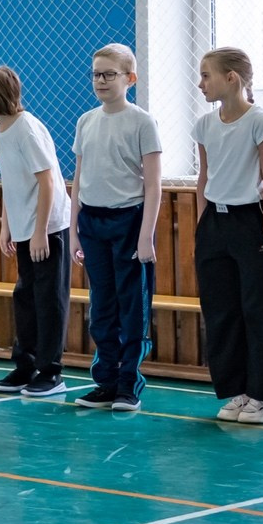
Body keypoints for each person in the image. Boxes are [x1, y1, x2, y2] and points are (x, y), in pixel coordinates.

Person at [192, 47, 263, 424]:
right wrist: (203, 222)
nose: (201, 84)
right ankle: (238, 390)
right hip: (214, 222)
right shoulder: (204, 125)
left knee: (258, 310)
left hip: (250, 221)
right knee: (221, 310)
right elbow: (205, 177)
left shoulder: (261, 121)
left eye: (207, 75)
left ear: (232, 78)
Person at [69, 44, 162, 412]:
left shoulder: (142, 121)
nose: (100, 81)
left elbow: (153, 184)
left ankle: (129, 383)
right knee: (102, 305)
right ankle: (105, 380)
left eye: (109, 74)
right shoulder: (86, 121)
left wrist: (145, 237)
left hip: (129, 221)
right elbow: (78, 178)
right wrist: (75, 228)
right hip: (92, 221)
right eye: (96, 74)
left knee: (131, 306)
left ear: (130, 79)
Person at [0, 66, 72, 398]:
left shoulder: (27, 129)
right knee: (25, 297)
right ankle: (25, 364)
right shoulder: (0, 131)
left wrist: (41, 231)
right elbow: (11, 181)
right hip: (23, 227)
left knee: (49, 300)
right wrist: (6, 226)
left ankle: (51, 372)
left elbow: (47, 182)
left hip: (48, 227)